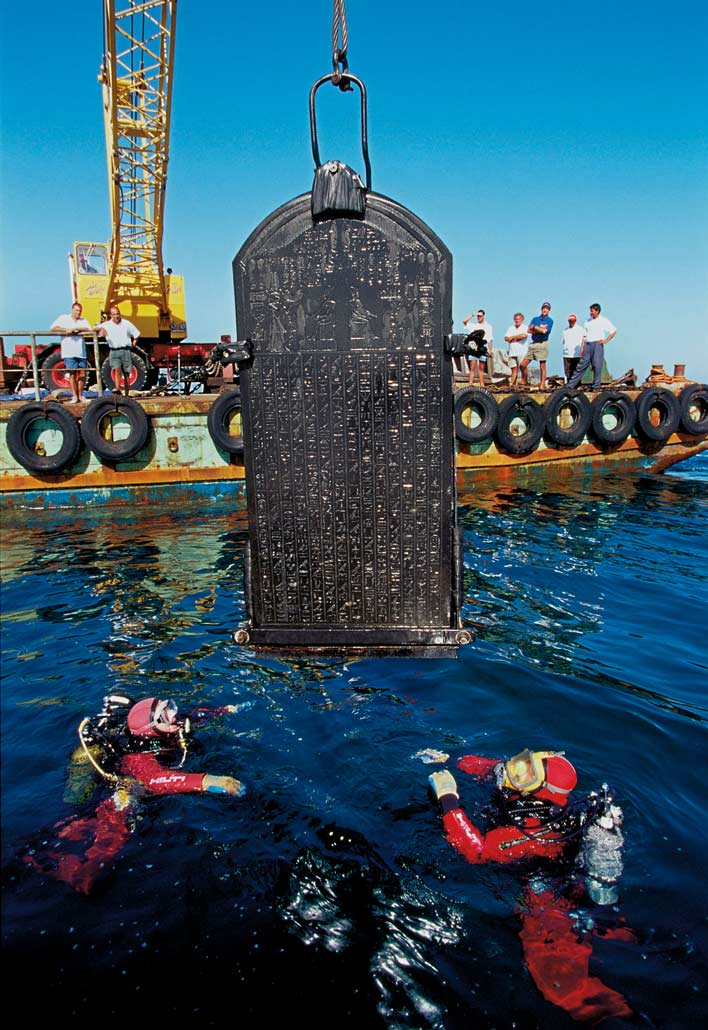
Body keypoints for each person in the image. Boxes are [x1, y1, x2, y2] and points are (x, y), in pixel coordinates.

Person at [429, 748, 634, 1023]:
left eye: (525, 772)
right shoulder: (532, 793)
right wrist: (453, 759)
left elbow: (476, 852)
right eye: (522, 765)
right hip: (559, 873)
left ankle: (607, 1013)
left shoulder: (531, 832)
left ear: (541, 790)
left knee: (556, 976)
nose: (515, 771)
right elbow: (497, 771)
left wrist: (448, 801)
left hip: (550, 891)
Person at [24, 695, 245, 894]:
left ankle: (54, 841)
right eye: (166, 714)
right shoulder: (139, 759)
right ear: (151, 729)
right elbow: (157, 781)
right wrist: (208, 781)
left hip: (140, 775)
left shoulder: (167, 729)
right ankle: (74, 872)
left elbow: (194, 716)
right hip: (126, 791)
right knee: (112, 829)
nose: (174, 715)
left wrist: (224, 710)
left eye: (170, 707)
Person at [568, 304, 617, 391]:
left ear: (597, 311)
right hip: (588, 344)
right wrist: (582, 347)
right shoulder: (587, 321)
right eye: (590, 311)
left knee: (597, 365)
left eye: (592, 311)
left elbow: (613, 331)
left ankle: (596, 386)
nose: (590, 313)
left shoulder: (603, 320)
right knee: (581, 365)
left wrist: (606, 340)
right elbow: (584, 336)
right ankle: (570, 385)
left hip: (597, 344)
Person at [50, 302, 92, 403]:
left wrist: (77, 329)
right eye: (77, 310)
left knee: (82, 373)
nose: (78, 313)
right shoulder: (64, 318)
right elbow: (53, 328)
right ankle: (74, 396)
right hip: (69, 351)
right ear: (72, 310)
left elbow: (88, 329)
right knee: (72, 374)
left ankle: (81, 395)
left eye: (80, 311)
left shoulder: (83, 320)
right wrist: (66, 330)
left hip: (81, 352)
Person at [95, 304, 141, 396]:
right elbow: (95, 329)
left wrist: (134, 343)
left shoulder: (126, 323)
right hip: (114, 350)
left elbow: (137, 333)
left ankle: (127, 394)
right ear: (111, 315)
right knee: (117, 369)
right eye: (114, 314)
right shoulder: (107, 324)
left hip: (125, 350)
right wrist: (100, 330)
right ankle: (117, 388)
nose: (116, 316)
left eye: (118, 314)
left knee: (127, 373)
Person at [521, 302, 553, 389]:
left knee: (542, 365)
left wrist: (535, 327)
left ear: (549, 310)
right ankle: (524, 381)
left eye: (547, 308)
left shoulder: (550, 320)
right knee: (523, 364)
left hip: (542, 343)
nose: (545, 310)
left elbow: (545, 331)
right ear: (541, 308)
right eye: (544, 308)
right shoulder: (535, 319)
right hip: (533, 343)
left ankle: (542, 384)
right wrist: (538, 329)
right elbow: (528, 330)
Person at [461, 310, 493, 388]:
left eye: (480, 316)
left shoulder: (488, 326)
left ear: (483, 316)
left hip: (482, 347)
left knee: (481, 368)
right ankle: (470, 384)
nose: (479, 318)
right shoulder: (474, 326)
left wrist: (490, 350)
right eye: (478, 316)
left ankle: (482, 384)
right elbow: (464, 321)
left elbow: (490, 339)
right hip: (474, 348)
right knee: (472, 367)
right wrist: (473, 315)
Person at [503, 313, 529, 388]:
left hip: (522, 351)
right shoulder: (511, 328)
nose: (517, 320)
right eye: (516, 319)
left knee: (523, 367)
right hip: (512, 352)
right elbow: (506, 338)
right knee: (513, 369)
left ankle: (524, 382)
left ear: (522, 319)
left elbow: (524, 336)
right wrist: (516, 338)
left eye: (519, 319)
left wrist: (512, 338)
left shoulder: (525, 327)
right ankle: (512, 384)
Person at [561, 314, 586, 384]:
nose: (571, 322)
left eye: (572, 321)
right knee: (568, 371)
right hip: (567, 354)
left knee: (577, 370)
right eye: (570, 321)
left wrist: (582, 349)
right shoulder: (565, 330)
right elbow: (563, 341)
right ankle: (569, 384)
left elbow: (584, 339)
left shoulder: (580, 329)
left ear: (575, 321)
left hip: (576, 354)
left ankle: (577, 385)